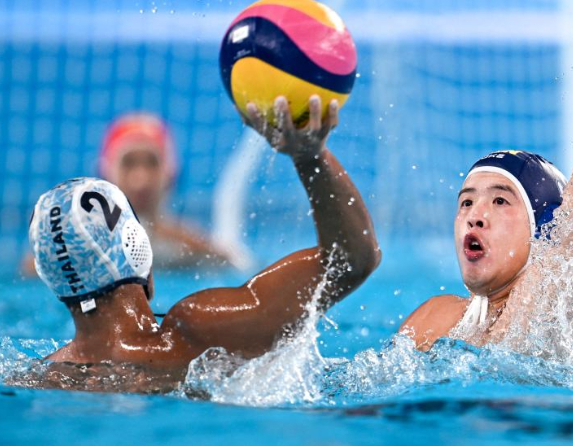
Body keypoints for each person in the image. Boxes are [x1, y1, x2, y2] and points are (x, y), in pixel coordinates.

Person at [24, 96, 381, 392]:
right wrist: (310, 158)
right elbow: (353, 260)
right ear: (139, 252)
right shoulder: (196, 336)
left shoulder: (39, 380)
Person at [400, 0, 573, 350]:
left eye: (499, 200)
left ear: (544, 229)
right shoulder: (436, 319)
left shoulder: (558, 295)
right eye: (466, 201)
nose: (474, 214)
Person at [98, 113, 238, 270]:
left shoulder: (197, 247)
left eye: (152, 163)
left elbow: (237, 267)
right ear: (107, 174)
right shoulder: (89, 244)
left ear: (170, 174)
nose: (140, 180)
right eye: (128, 163)